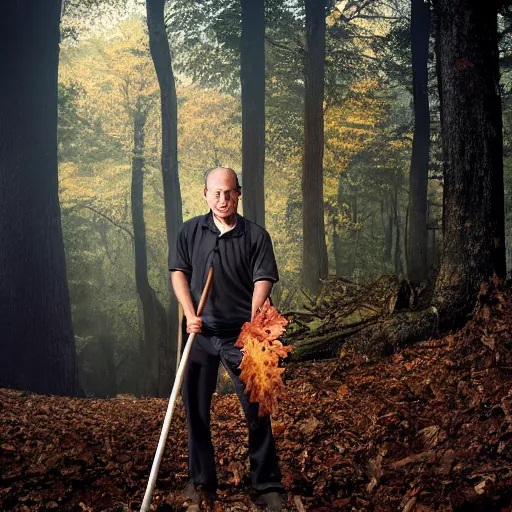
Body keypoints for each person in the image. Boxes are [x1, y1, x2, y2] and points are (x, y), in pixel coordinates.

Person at [169, 167, 285, 511]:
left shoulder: (256, 236)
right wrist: (190, 314)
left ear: (239, 194)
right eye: (216, 193)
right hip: (201, 334)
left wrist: (254, 318)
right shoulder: (190, 231)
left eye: (229, 193)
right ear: (205, 194)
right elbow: (179, 273)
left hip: (242, 336)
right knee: (196, 410)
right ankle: (202, 482)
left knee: (257, 408)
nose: (223, 200)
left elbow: (263, 279)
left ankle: (266, 484)